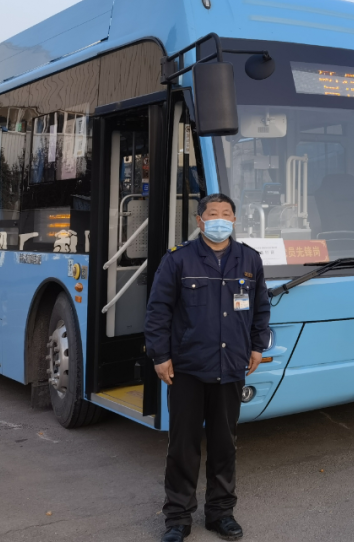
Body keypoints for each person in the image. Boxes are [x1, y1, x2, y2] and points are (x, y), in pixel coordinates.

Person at [145, 193, 271, 542]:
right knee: (182, 446)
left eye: (226, 213)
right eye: (212, 213)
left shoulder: (249, 259)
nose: (220, 219)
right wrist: (160, 355)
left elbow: (261, 307)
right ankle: (177, 518)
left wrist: (257, 346)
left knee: (224, 445)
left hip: (231, 367)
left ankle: (221, 513)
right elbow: (158, 310)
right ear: (199, 220)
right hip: (187, 367)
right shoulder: (178, 259)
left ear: (234, 220)